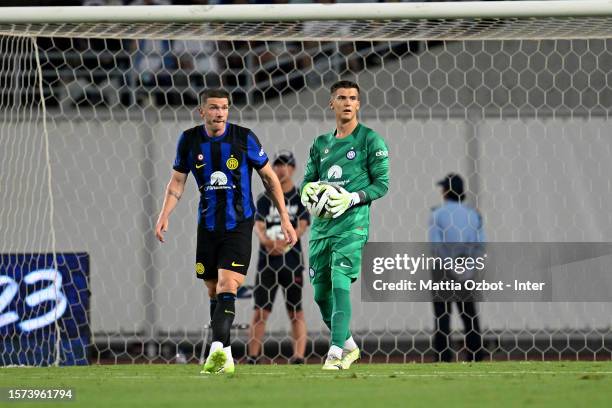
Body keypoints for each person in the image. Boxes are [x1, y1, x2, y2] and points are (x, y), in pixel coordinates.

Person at [155, 89, 297, 374]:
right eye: (213, 108)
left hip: (239, 224)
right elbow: (177, 182)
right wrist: (164, 214)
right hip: (207, 225)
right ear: (202, 111)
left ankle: (217, 350)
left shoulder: (244, 138)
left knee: (226, 286)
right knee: (212, 290)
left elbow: (269, 177)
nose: (219, 113)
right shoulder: (189, 139)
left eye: (224, 108)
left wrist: (284, 216)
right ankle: (227, 355)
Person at [300, 80, 390, 370]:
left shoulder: (370, 140)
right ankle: (349, 344)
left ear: (359, 104)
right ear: (332, 103)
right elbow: (307, 181)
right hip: (321, 228)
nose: (348, 102)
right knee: (319, 294)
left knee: (341, 283)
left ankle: (336, 352)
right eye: (342, 97)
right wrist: (304, 191)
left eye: (353, 98)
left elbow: (382, 185)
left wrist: (353, 198)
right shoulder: (320, 144)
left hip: (353, 225)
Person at [247, 150, 310, 365]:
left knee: (296, 311)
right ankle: (253, 357)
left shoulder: (299, 197)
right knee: (260, 312)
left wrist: (287, 241)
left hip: (292, 262)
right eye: (277, 164)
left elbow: (303, 224)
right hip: (267, 263)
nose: (280, 168)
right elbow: (258, 225)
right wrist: (268, 242)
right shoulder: (265, 198)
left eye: (285, 164)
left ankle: (299, 356)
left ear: (292, 169)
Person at [429, 173, 485, 362]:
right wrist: (466, 268)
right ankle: (476, 356)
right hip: (467, 271)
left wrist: (449, 266)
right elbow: (480, 245)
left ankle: (444, 358)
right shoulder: (473, 214)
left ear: (445, 192)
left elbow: (435, 246)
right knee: (469, 315)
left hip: (442, 271)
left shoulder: (437, 214)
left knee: (442, 318)